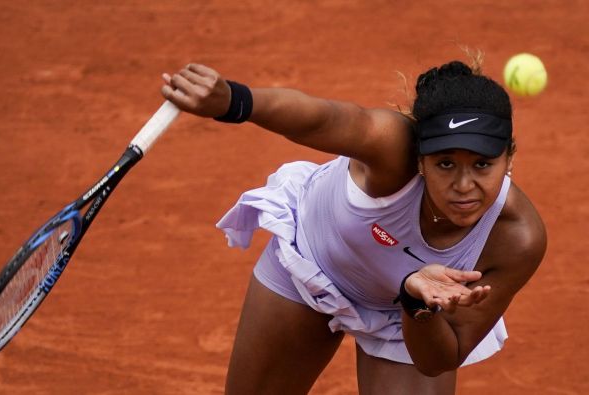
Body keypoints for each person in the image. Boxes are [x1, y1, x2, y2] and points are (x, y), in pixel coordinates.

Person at [160, 60, 547, 395]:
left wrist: (416, 302)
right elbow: (324, 118)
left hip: (402, 317)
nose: (464, 186)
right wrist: (234, 100)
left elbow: (438, 359)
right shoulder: (391, 147)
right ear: (420, 161)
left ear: (509, 158)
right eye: (446, 164)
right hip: (316, 261)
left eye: (482, 165)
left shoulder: (517, 237)